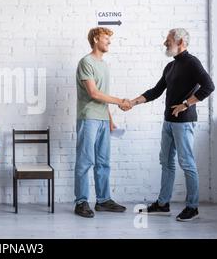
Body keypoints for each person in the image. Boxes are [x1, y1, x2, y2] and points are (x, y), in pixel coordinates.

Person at [128, 28, 214, 221]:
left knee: (187, 163)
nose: (165, 43)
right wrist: (133, 102)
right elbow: (156, 90)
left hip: (183, 123)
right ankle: (163, 203)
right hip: (168, 122)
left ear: (180, 41)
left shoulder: (192, 63)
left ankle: (192, 207)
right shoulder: (170, 66)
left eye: (168, 40)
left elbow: (209, 86)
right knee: (166, 162)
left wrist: (185, 104)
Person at [74, 27, 129, 218]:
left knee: (103, 162)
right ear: (96, 39)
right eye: (107, 38)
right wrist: (121, 101)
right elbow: (94, 93)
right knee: (85, 161)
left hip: (103, 120)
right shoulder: (86, 62)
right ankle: (81, 202)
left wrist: (111, 120)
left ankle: (103, 200)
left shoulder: (104, 65)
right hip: (88, 118)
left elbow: (103, 98)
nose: (109, 42)